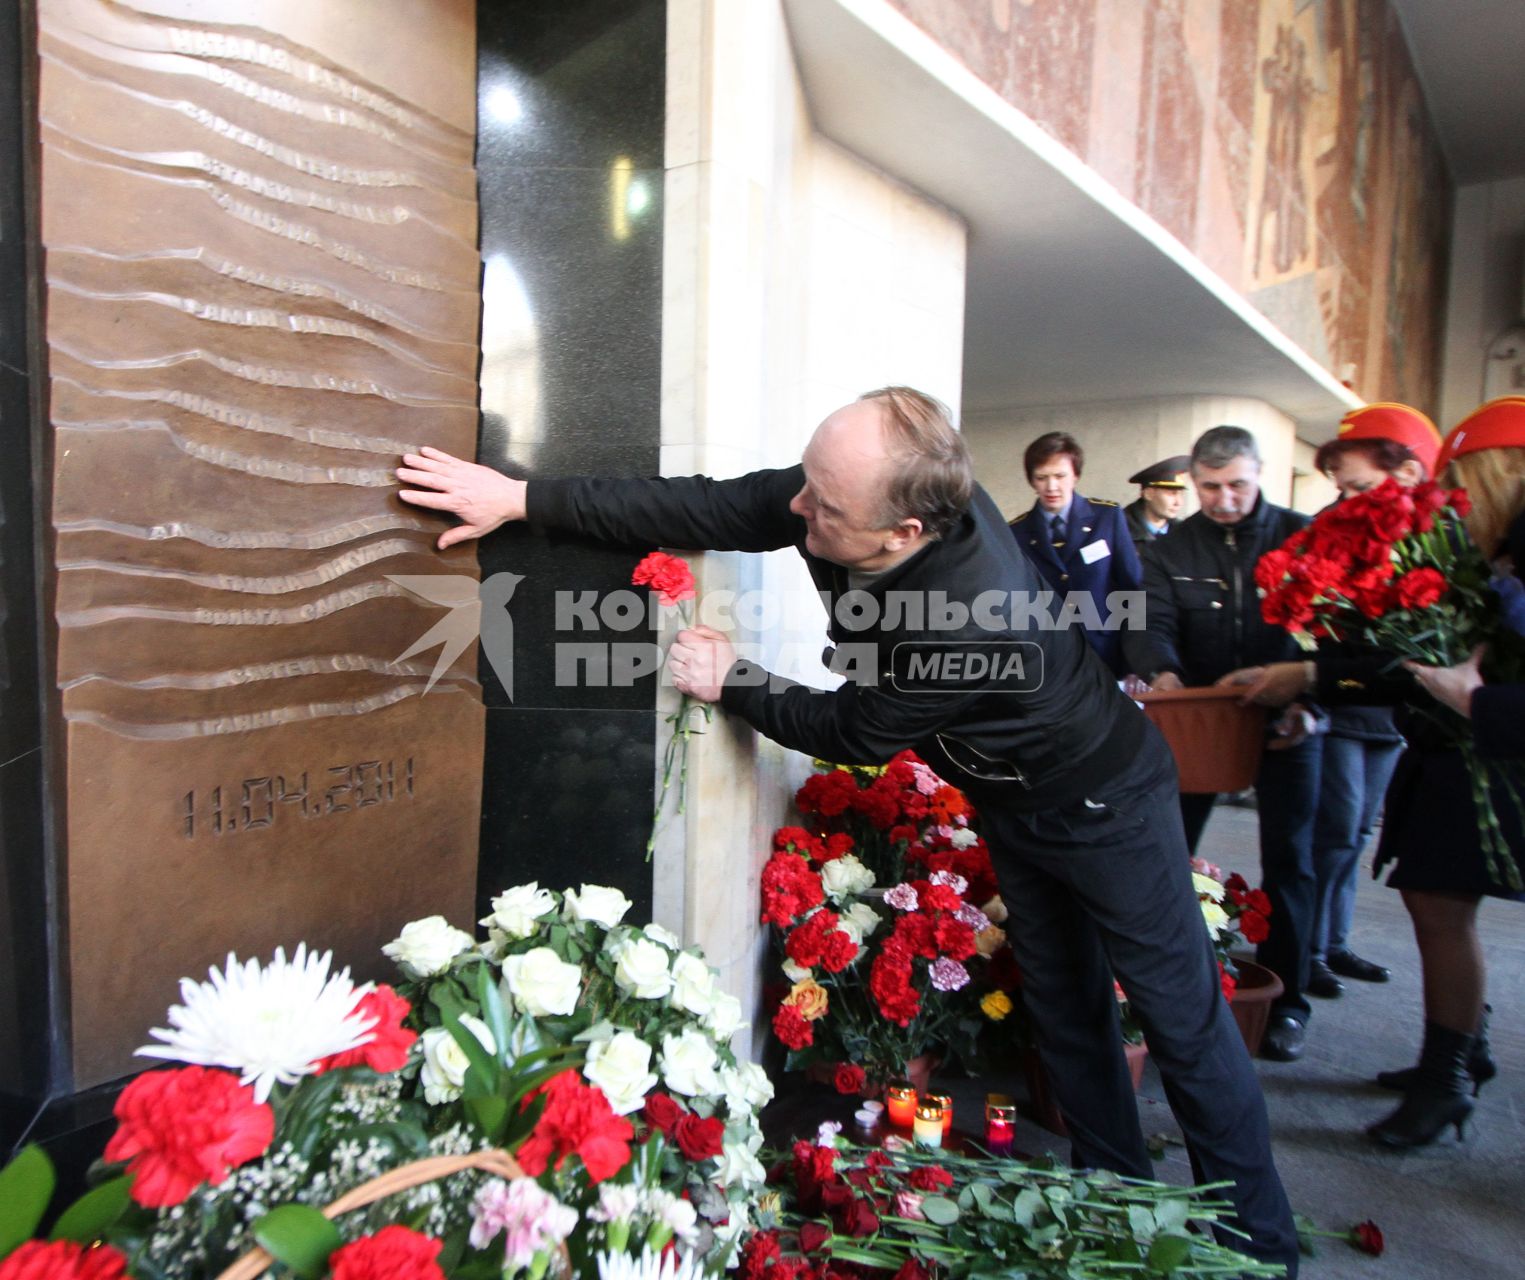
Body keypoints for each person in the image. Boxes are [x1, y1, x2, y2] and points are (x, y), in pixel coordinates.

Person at [396, 387, 1300, 1272]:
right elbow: (712, 503)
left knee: (1183, 1028)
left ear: (902, 534)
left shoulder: (970, 616)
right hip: (1017, 804)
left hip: (1108, 803)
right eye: (808, 483)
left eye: (821, 506)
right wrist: (516, 498)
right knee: (1064, 1017)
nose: (797, 508)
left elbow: (856, 731)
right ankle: (1115, 1205)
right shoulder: (850, 493)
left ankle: (1259, 1250)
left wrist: (736, 678)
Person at [1228, 397, 1525, 1148]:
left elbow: (1422, 661)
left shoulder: (1455, 549)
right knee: (1437, 904)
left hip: (1482, 756)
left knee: (1437, 906)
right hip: (1452, 748)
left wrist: (1311, 677)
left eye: (1357, 491)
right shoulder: (1472, 551)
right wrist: (1307, 671)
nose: (1346, 506)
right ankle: (1461, 1050)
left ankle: (1447, 1075)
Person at [1122, 426, 1322, 1063]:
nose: (1224, 499)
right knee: (1168, 852)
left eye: (1237, 484)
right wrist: (1163, 673)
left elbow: (1328, 627)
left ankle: (1288, 1004)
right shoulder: (1170, 547)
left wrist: (1309, 702)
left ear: (1259, 473)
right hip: (1202, 718)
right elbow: (1149, 622)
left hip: (1286, 719)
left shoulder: (1301, 535)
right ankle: (1172, 992)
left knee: (1292, 862)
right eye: (1209, 487)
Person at [1301, 405, 1441, 999]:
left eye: (1360, 486)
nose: (1350, 499)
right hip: (1340, 705)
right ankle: (1307, 952)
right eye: (1343, 488)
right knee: (1332, 830)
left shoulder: (1432, 538)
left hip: (1392, 713)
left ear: (1407, 473)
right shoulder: (1328, 531)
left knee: (1356, 833)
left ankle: (1333, 941)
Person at [1008, 432, 1142, 676]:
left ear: (1076, 476)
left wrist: (1136, 661)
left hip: (1106, 653)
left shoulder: (1107, 517)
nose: (1052, 487)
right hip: (1049, 660)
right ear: (1031, 481)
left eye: (1060, 476)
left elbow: (1132, 588)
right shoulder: (1017, 531)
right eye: (1042, 478)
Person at [1123, 455, 1190, 551]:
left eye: (1180, 494)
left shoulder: (1183, 533)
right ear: (1148, 494)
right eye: (1172, 494)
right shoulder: (1120, 529)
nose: (1178, 502)